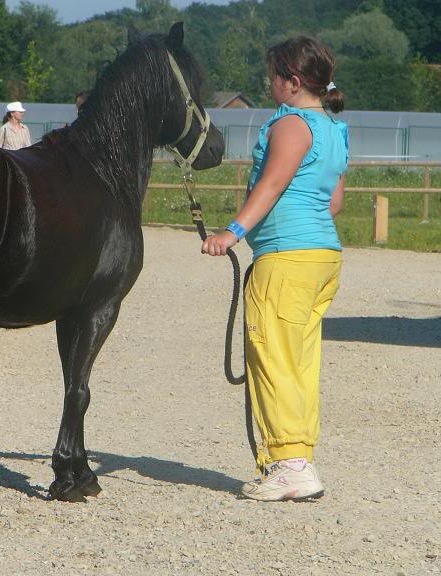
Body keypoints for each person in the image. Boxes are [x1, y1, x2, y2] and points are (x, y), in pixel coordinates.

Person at [201, 36, 348, 502]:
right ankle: (298, 457)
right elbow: (335, 202)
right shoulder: (334, 128)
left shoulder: (290, 124)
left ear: (293, 81)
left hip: (285, 258)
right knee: (300, 361)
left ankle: (290, 465)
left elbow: (273, 184)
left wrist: (232, 232)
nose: (269, 85)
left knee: (273, 358)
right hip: (323, 255)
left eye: (273, 76)